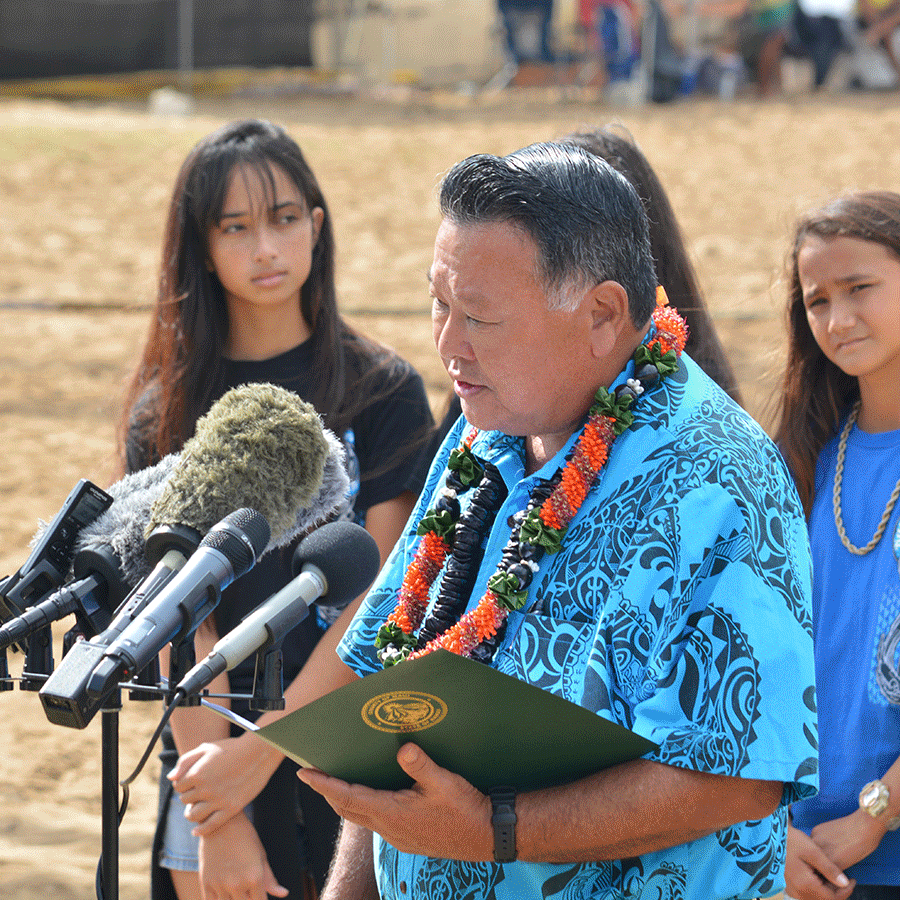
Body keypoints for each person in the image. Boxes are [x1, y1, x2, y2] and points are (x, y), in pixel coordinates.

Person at [294, 141, 818, 900]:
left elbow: (739, 776)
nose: (448, 345)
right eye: (439, 304)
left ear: (602, 314)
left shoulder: (720, 477)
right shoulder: (482, 436)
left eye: (480, 317)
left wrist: (493, 832)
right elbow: (393, 687)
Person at [119, 118, 434, 900]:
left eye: (285, 218)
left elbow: (379, 599)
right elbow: (179, 620)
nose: (265, 247)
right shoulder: (168, 410)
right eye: (236, 227)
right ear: (201, 245)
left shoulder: (383, 390)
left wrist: (263, 752)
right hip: (205, 751)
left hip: (347, 749)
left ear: (316, 226)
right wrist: (219, 819)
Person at [774, 191, 900, 899]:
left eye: (860, 288)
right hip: (806, 856)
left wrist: (875, 815)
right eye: (817, 301)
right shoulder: (803, 458)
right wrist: (769, 828)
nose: (838, 319)